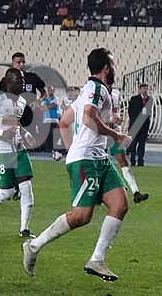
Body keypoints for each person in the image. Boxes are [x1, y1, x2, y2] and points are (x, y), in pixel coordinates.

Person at [23, 48, 131, 282]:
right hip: (87, 160)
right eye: (112, 65)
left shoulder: (88, 90)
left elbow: (64, 122)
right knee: (81, 216)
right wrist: (115, 135)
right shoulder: (96, 89)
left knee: (120, 205)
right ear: (106, 68)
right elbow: (88, 118)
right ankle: (33, 246)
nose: (114, 69)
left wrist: (73, 149)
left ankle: (97, 260)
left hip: (98, 158)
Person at [0, 68, 36, 237]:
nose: (22, 83)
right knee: (8, 191)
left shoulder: (22, 102)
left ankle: (24, 229)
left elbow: (15, 123)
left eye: (23, 79)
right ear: (8, 82)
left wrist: (25, 133)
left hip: (18, 149)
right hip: (0, 149)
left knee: (26, 187)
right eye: (18, 80)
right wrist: (0, 133)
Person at [107, 88, 148, 203]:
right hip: (100, 132)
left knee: (122, 160)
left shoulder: (116, 93)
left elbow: (117, 112)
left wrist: (118, 120)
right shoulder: (96, 91)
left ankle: (136, 192)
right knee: (99, 162)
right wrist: (108, 120)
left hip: (115, 132)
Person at [127, 83, 152, 167]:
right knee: (133, 144)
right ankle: (133, 160)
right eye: (143, 89)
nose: (145, 91)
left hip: (144, 126)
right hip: (135, 124)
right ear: (140, 90)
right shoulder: (134, 99)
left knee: (142, 144)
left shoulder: (149, 99)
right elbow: (130, 111)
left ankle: (141, 161)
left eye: (146, 89)